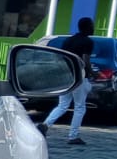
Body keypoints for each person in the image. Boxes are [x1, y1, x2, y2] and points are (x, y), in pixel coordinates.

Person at [39, 17, 93, 145]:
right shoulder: (88, 42)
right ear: (87, 27)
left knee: (62, 105)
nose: (93, 28)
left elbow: (61, 57)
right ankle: (73, 136)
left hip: (66, 76)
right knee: (80, 107)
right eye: (92, 25)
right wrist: (91, 72)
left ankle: (45, 125)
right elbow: (85, 59)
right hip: (79, 76)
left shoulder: (68, 40)